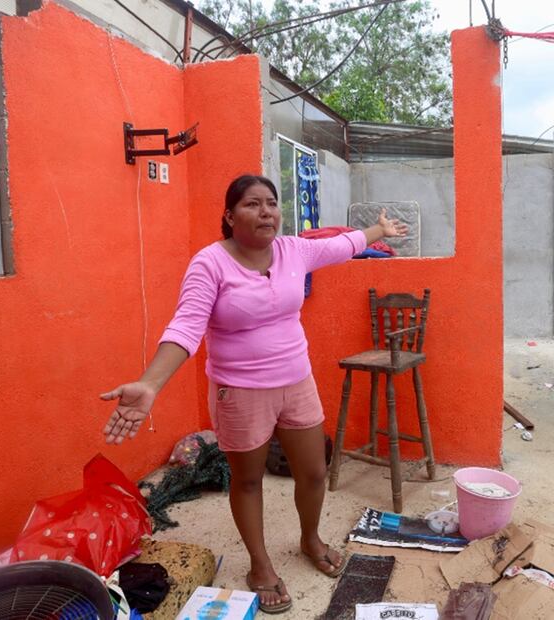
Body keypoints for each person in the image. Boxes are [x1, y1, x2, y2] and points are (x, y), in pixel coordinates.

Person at [101, 174, 407, 614]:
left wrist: (378, 230)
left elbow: (344, 245)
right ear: (229, 216)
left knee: (315, 472)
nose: (266, 211)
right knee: (247, 479)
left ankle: (309, 538)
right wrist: (150, 383)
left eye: (271, 203)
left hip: (296, 380)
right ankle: (260, 564)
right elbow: (187, 325)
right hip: (238, 391)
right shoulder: (210, 263)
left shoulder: (293, 251)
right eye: (252, 204)